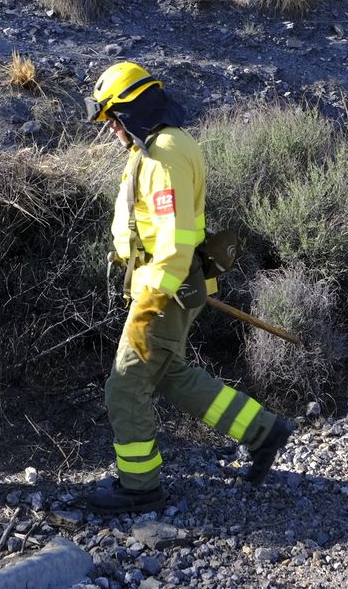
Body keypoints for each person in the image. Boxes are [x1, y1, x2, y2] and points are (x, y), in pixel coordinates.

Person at [79, 61, 294, 514]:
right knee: (169, 374)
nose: (112, 129)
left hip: (164, 292)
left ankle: (139, 486)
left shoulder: (164, 156)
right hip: (167, 287)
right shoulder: (156, 147)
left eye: (114, 118)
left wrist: (147, 306)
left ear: (132, 109)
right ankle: (263, 431)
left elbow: (175, 245)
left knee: (124, 386)